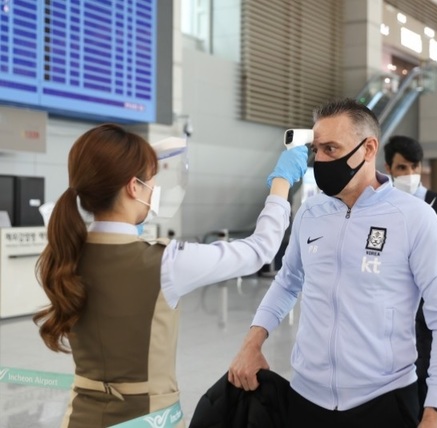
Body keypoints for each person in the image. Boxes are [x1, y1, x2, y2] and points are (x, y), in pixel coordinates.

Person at [32, 123, 308, 428]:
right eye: (149, 181)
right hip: (148, 420)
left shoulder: (65, 255)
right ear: (133, 187)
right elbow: (260, 250)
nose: (153, 189)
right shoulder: (166, 263)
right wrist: (282, 182)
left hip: (79, 417)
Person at [229, 98, 437, 428]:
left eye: (331, 149)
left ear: (368, 148)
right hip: (306, 398)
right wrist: (251, 344)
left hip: (385, 400)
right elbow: (287, 282)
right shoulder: (312, 212)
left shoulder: (414, 217)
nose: (321, 160)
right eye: (317, 150)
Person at [383, 135, 437, 411]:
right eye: (402, 168)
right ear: (389, 168)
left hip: (429, 317)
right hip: (389, 314)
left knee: (427, 380)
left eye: (414, 167)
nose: (410, 174)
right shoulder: (382, 207)